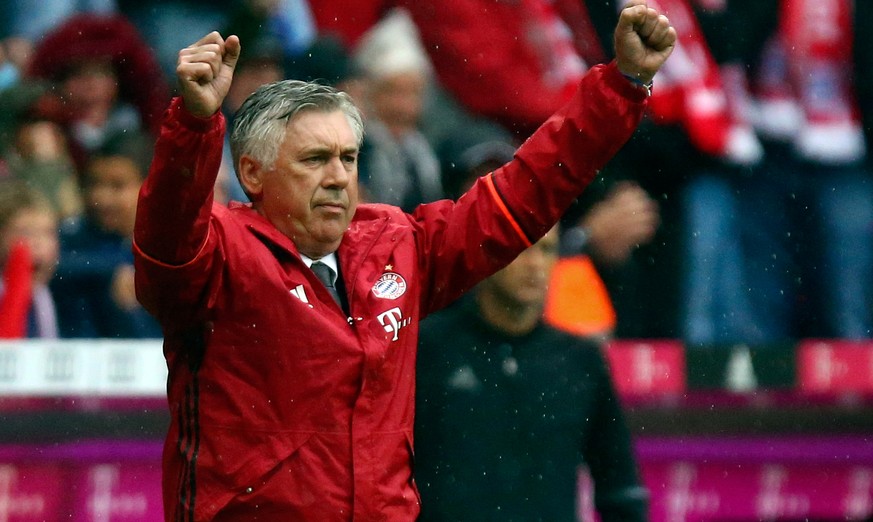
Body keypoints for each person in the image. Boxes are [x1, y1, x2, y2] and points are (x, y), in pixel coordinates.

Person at [132, 2, 675, 519]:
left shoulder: (396, 244)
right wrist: (195, 128)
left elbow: (520, 196)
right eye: (315, 160)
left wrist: (621, 85)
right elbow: (167, 237)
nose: (339, 176)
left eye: (348, 158)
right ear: (252, 174)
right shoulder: (215, 254)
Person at [415, 225, 648, 521]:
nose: (535, 264)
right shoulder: (427, 350)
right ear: (482, 252)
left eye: (547, 249)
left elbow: (620, 490)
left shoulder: (580, 361)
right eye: (521, 248)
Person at [52, 132, 161, 338]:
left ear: (149, 186)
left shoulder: (165, 245)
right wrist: (113, 271)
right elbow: (52, 265)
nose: (101, 198)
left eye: (117, 186)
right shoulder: (69, 237)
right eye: (93, 184)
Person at [0, 179, 59, 338]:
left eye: (48, 233)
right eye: (25, 233)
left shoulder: (58, 293)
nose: (38, 243)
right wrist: (18, 284)